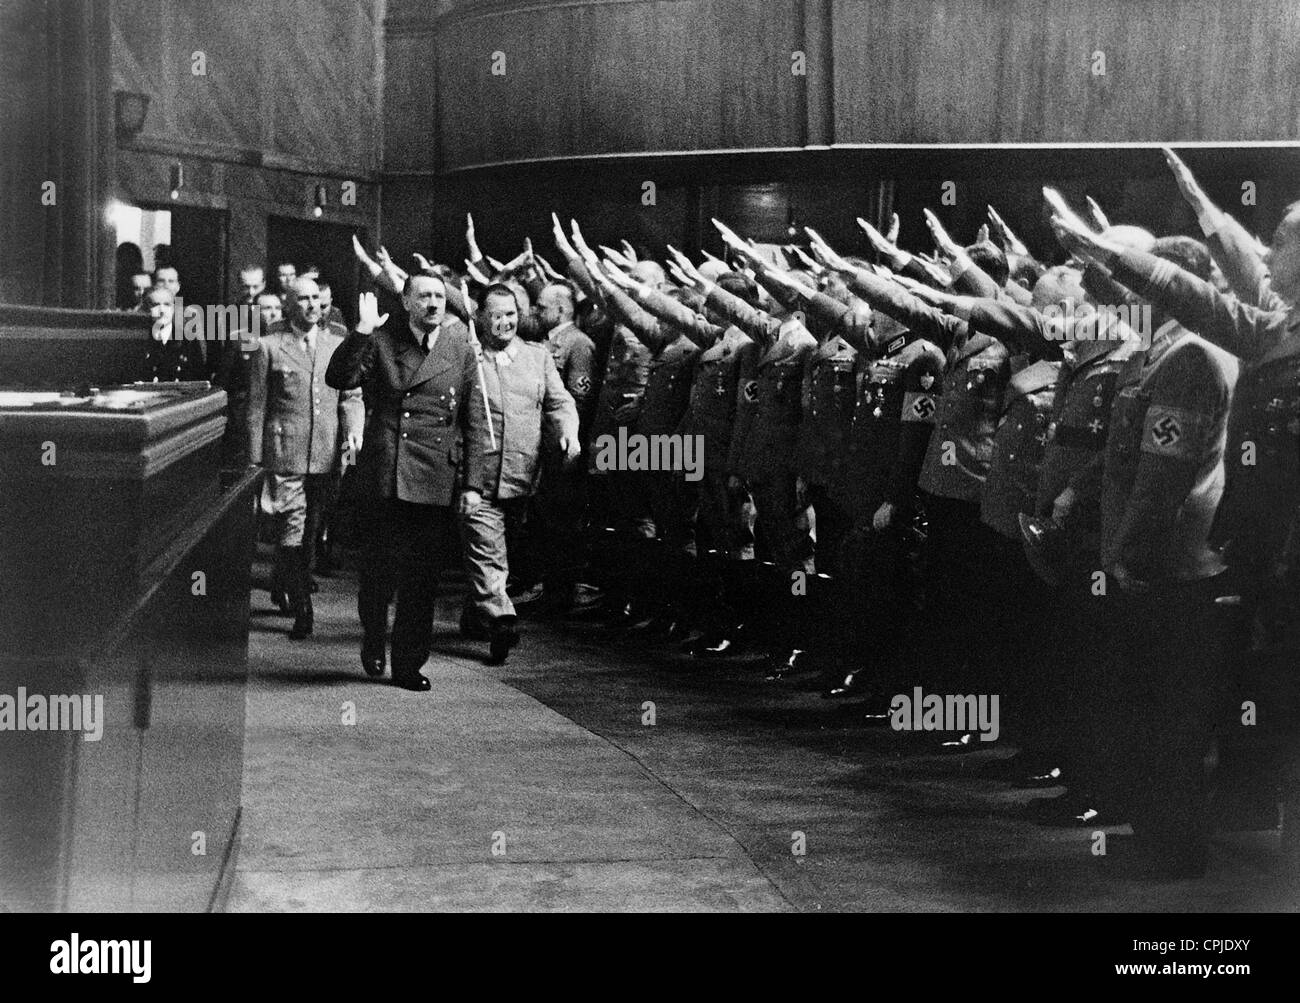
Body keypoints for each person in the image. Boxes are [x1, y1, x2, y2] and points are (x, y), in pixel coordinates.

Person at [325, 274, 485, 691]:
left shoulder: (461, 348)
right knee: (378, 571)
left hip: (435, 477)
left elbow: (475, 422)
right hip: (386, 472)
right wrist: (360, 332)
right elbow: (340, 379)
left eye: (439, 296)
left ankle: (409, 663)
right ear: (407, 303)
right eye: (424, 296)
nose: (433, 303)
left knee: (422, 578)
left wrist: (473, 484)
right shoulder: (380, 339)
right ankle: (374, 636)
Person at [460, 284, 579, 662]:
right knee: (487, 551)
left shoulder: (537, 357)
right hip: (477, 478)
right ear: (481, 318)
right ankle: (502, 622)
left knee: (497, 553)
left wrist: (568, 431)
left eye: (510, 314)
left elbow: (559, 402)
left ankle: (477, 609)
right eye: (495, 315)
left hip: (525, 478)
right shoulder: (468, 358)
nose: (504, 322)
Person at [246, 278, 363, 640]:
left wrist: (353, 431)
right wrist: (255, 460)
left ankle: (285, 580)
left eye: (316, 298)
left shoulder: (338, 345)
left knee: (310, 531)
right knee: (293, 527)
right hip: (286, 454)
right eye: (304, 299)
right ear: (289, 304)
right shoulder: (268, 346)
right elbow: (256, 407)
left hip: (327, 454)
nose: (312, 305)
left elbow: (351, 396)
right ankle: (304, 609)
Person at [141, 286, 205, 382]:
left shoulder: (188, 340)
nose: (162, 310)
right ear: (145, 309)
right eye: (155, 305)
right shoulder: (140, 340)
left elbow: (198, 376)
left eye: (167, 305)